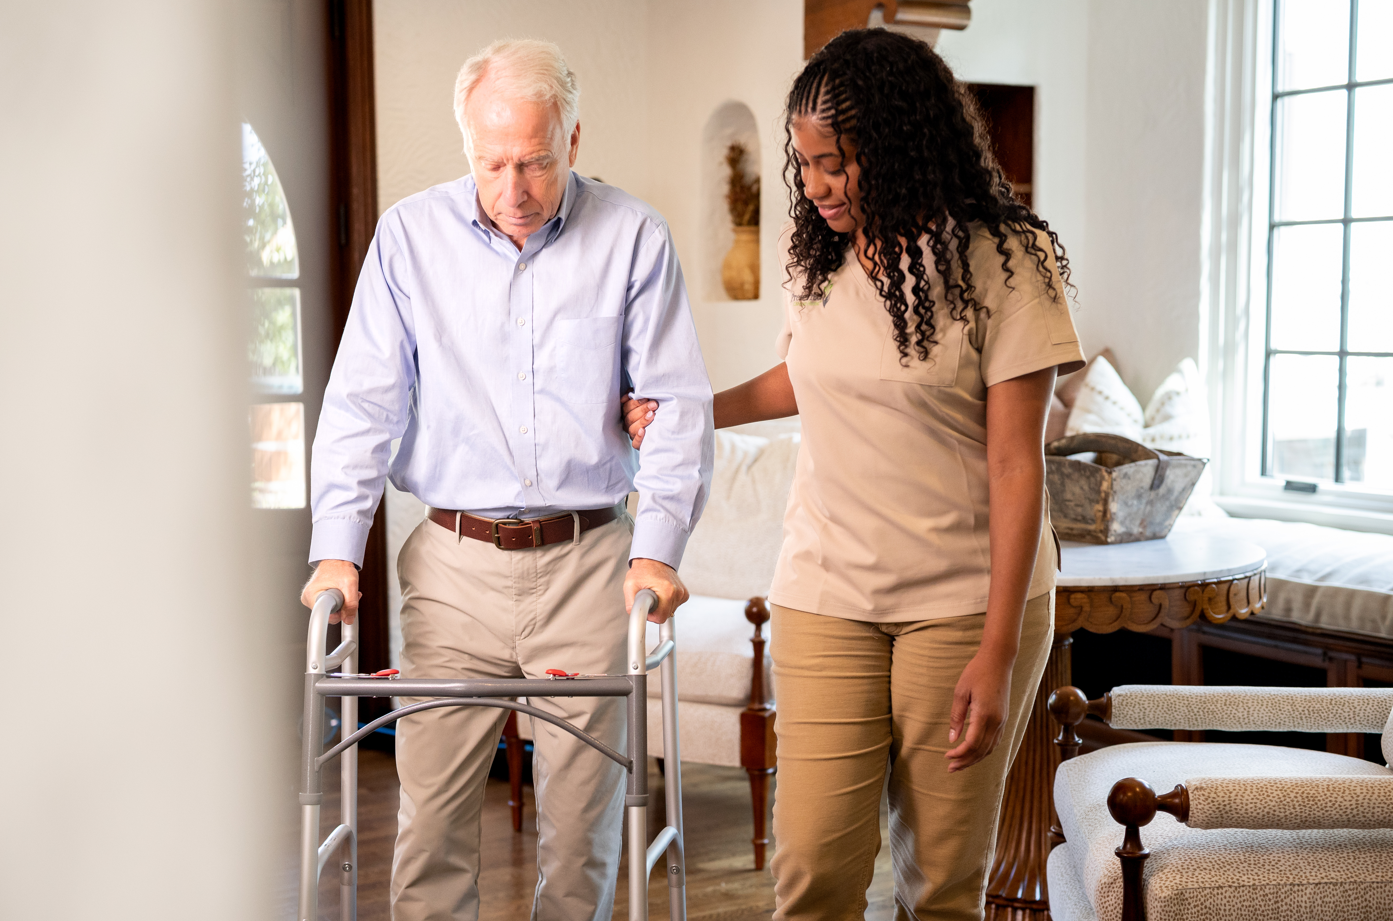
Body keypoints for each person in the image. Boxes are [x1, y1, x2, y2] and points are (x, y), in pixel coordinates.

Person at [625, 29, 1084, 920]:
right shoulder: (819, 258)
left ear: (899, 145)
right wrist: (684, 408)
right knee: (811, 870)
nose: (817, 186)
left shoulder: (1007, 263)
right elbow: (800, 378)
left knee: (941, 882)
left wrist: (995, 652)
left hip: (963, 601)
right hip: (825, 589)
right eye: (805, 165)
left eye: (833, 163)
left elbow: (1014, 463)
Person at [302, 39, 713, 921]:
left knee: (582, 829)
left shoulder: (633, 235)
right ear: (467, 148)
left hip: (590, 559)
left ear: (572, 139)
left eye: (534, 160)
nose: (514, 187)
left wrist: (659, 547)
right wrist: (336, 549)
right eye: (492, 163)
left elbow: (676, 404)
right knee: (433, 825)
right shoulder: (409, 239)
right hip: (454, 562)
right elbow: (361, 404)